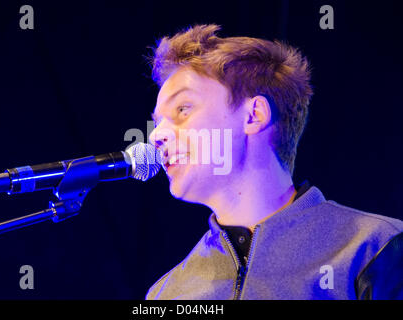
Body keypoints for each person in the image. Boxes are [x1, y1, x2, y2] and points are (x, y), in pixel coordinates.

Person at [145, 24, 403, 300]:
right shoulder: (167, 293)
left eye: (183, 109)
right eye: (158, 122)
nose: (156, 135)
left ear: (254, 115)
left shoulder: (373, 248)